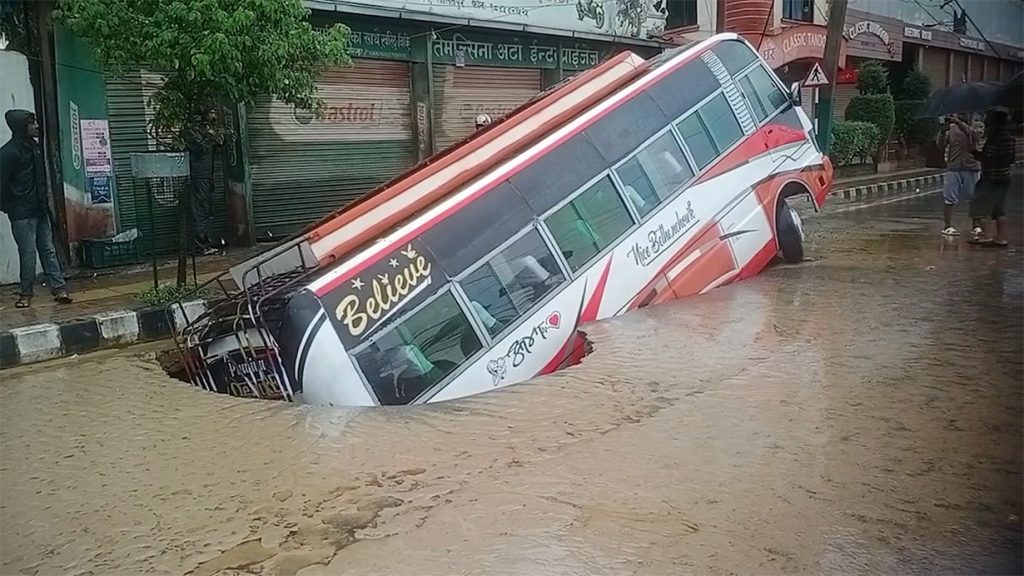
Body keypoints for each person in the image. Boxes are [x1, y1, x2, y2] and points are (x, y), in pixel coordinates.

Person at [0, 110, 72, 308]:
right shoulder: (8, 153)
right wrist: (9, 208)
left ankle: (59, 288)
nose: (37, 126)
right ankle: (26, 293)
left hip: (40, 209)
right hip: (22, 213)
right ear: (22, 127)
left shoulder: (35, 147)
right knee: (28, 253)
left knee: (48, 250)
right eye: (32, 123)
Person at [968, 109, 1016, 248]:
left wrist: (974, 152)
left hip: (990, 177)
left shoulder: (996, 138)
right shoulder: (1009, 138)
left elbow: (987, 157)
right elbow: (1010, 159)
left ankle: (986, 236)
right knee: (999, 209)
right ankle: (1001, 238)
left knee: (979, 206)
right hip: (1004, 177)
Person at [939, 112, 982, 237]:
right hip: (954, 167)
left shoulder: (978, 126)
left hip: (971, 166)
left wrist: (958, 123)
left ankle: (976, 226)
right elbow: (941, 145)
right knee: (949, 197)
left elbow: (974, 137)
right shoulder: (951, 129)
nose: (963, 114)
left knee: (974, 197)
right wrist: (942, 133)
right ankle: (947, 226)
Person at [183, 109, 219, 256]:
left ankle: (205, 244)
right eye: (212, 112)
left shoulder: (206, 131)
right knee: (200, 213)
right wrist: (210, 136)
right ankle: (200, 246)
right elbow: (201, 147)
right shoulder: (192, 132)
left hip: (206, 176)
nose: (215, 115)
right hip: (199, 177)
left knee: (206, 212)